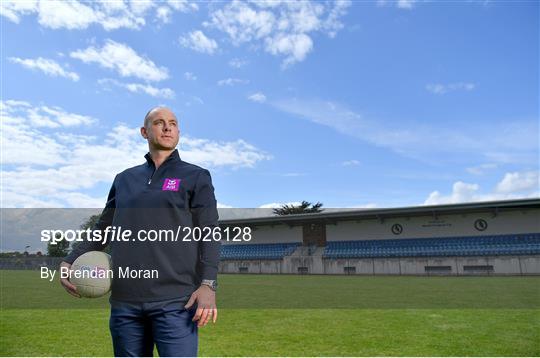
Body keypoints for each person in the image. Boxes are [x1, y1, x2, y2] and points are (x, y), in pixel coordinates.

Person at [60, 107, 220, 357]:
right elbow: (104, 228)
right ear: (144, 132)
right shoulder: (124, 179)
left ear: (178, 131)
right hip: (125, 303)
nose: (167, 127)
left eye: (173, 123)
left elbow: (209, 232)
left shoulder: (195, 176)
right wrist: (70, 260)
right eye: (159, 122)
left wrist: (208, 285)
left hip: (176, 301)